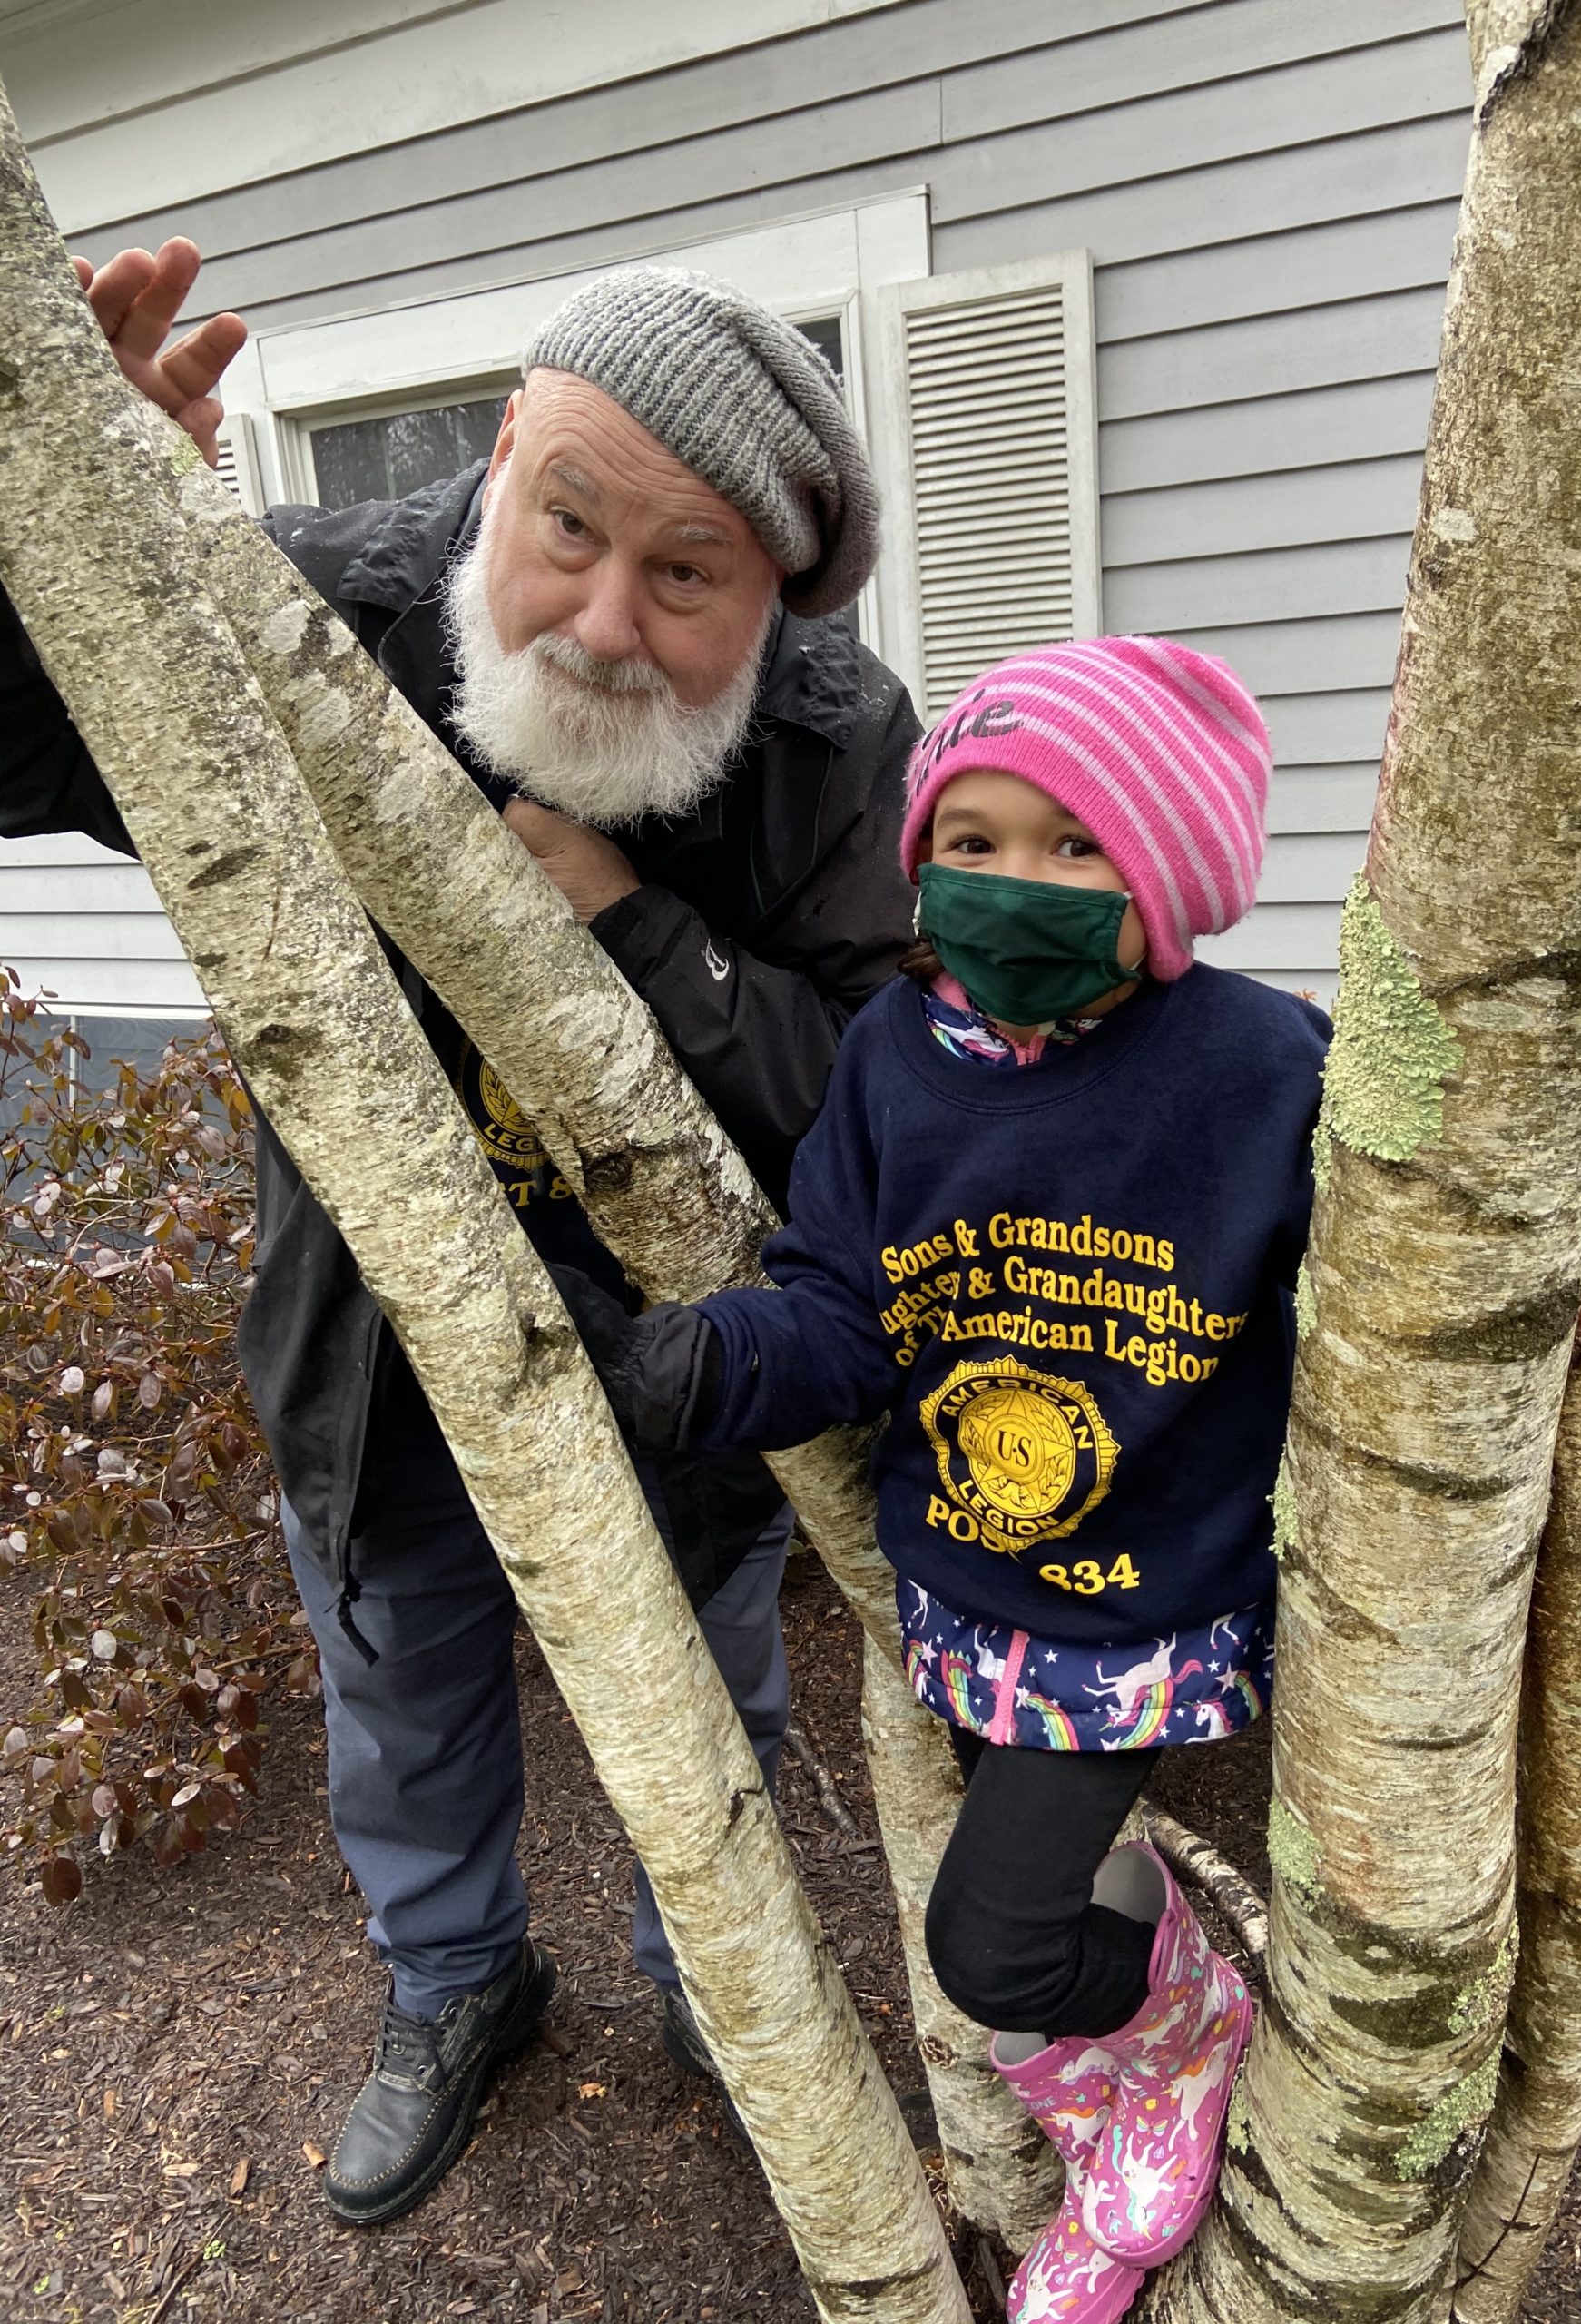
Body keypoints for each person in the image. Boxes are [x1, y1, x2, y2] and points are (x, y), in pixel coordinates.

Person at [0, 242, 921, 2222]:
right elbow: (18, 752)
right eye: (567, 522)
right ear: (506, 452)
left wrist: (626, 917)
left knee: (712, 1682)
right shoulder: (324, 604)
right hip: (376, 1332)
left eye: (685, 579)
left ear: (770, 600)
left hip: (688, 1354)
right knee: (400, 1699)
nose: (600, 620)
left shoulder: (836, 740)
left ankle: (716, 1975)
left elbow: (866, 1090)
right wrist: (57, 565)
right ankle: (456, 1983)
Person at [574, 636, 1331, 2323]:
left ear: (1169, 877)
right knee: (1030, 1878)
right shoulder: (899, 1058)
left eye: (1076, 849)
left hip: (1142, 1604)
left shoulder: (1263, 1070)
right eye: (972, 843)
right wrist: (703, 1365)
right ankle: (1131, 2019)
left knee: (989, 1954)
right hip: (965, 1587)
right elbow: (846, 1299)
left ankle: (1177, 2050)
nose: (1012, 888)